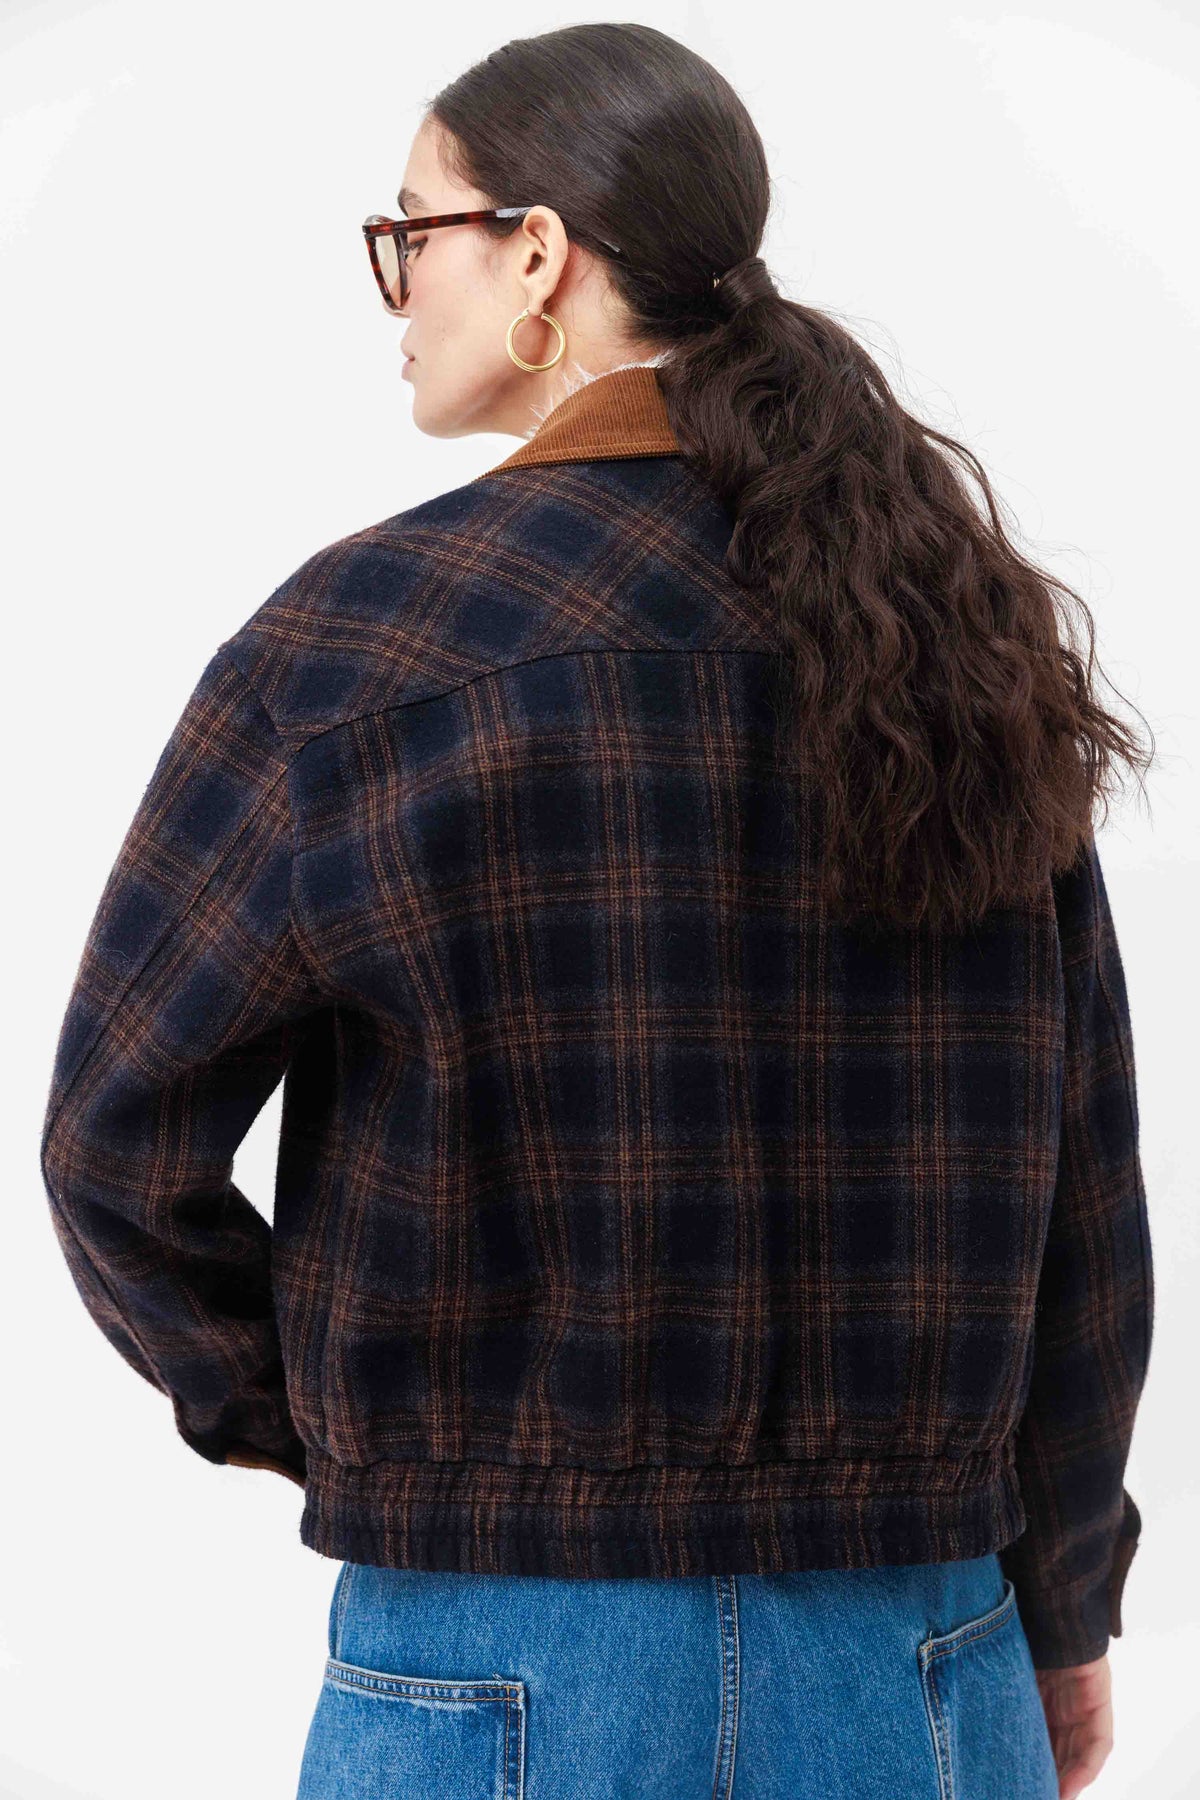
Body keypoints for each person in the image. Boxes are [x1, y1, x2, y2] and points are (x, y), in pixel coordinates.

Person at [39, 23, 1154, 1800]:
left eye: (413, 232)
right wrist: (1071, 1604)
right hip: (919, 1651)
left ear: (539, 254)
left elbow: (115, 1147)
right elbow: (1086, 1203)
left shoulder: (356, 646)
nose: (396, 287)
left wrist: (367, 1437)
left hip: (499, 1655)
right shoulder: (951, 643)